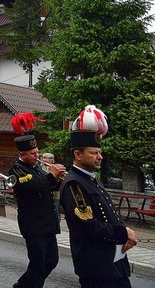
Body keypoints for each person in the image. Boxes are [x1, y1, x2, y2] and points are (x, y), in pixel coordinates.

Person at [59, 105, 137, 288]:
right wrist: (121, 233)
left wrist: (124, 235)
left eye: (99, 152)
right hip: (97, 267)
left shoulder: (93, 180)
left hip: (114, 264)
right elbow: (88, 225)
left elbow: (108, 217)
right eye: (94, 153)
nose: (100, 157)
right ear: (78, 155)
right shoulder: (74, 184)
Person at [8, 112, 66, 288]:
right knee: (38, 264)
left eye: (37, 152)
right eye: (33, 153)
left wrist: (59, 179)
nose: (37, 156)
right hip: (33, 224)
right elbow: (33, 186)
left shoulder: (38, 169)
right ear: (22, 154)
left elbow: (48, 187)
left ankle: (22, 284)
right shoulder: (16, 170)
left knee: (52, 260)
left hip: (48, 223)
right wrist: (51, 176)